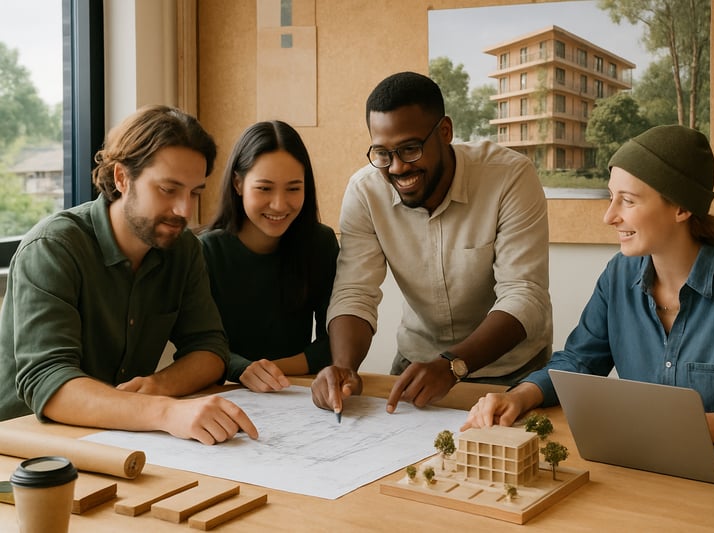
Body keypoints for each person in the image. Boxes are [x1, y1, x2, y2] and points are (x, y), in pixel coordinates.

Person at [462, 124, 714, 446]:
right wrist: (518, 396)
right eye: (611, 197)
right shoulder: (618, 276)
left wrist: (676, 427)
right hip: (640, 465)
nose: (609, 216)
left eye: (628, 200)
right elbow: (579, 362)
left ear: (682, 207)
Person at [0, 105, 258, 445]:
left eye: (195, 192)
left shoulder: (183, 250)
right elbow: (50, 382)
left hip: (120, 438)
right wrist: (164, 411)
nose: (184, 210)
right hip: (27, 449)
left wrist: (156, 387)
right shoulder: (53, 248)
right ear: (122, 178)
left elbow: (210, 350)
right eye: (168, 190)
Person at [311, 71, 553, 416]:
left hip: (513, 374)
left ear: (445, 132)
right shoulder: (365, 192)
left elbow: (525, 295)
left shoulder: (509, 177)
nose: (396, 168)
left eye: (410, 149)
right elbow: (355, 291)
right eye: (382, 153)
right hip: (417, 368)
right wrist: (344, 367)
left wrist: (452, 365)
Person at [199, 121, 339, 392]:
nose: (279, 204)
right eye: (264, 188)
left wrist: (266, 371)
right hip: (223, 392)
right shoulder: (206, 251)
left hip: (293, 391)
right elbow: (199, 344)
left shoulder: (320, 243)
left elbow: (334, 343)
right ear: (238, 183)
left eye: (293, 188)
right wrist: (243, 370)